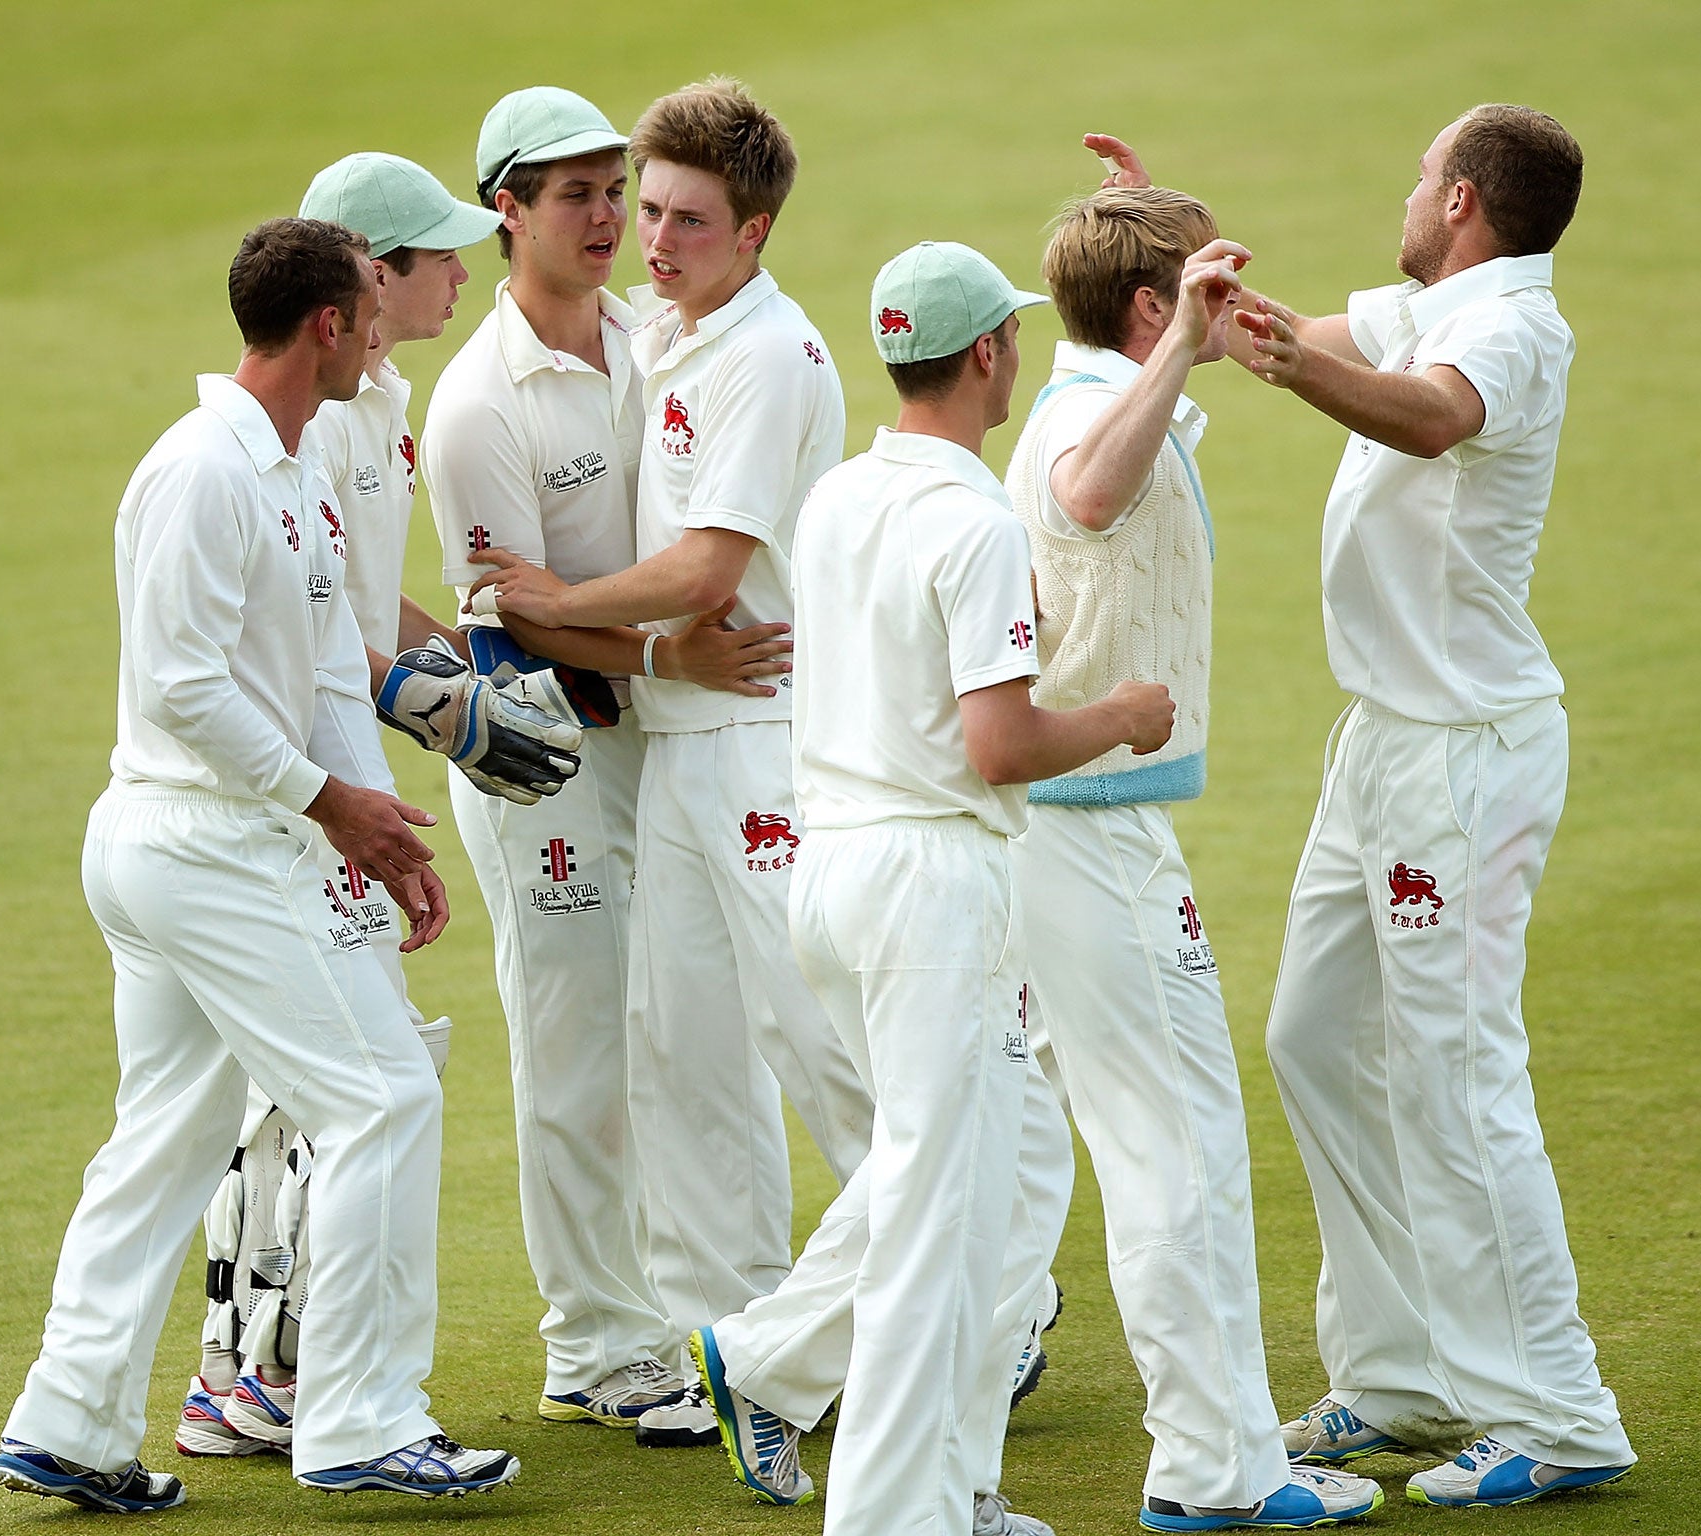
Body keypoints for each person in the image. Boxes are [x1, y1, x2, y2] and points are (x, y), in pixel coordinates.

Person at [0, 218, 522, 1511]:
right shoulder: (202, 472)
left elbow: (330, 669)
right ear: (327, 325)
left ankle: (69, 1421)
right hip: (198, 842)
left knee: (165, 1135)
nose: (385, 330)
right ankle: (361, 1421)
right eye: (368, 313)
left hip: (221, 840)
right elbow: (179, 689)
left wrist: (379, 828)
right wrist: (328, 803)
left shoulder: (291, 470)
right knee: (383, 1097)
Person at [689, 240, 1171, 1536]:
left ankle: (938, 1478)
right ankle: (900, 1514)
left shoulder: (844, 494)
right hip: (926, 889)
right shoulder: (971, 520)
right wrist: (1121, 715)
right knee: (928, 1214)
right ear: (990, 355)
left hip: (836, 873)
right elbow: (1000, 744)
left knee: (1002, 1175)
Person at [1237, 105, 1636, 1508]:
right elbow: (1313, 339)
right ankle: (1400, 1372)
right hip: (1386, 746)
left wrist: (1289, 372)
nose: (1404, 192)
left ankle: (1556, 1413)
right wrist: (1174, 275)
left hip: (1464, 755)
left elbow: (1430, 413)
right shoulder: (1438, 302)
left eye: (1419, 175)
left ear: (1462, 199)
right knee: (1314, 1036)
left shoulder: (1513, 331)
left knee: (1461, 1073)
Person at [1000, 158, 1385, 1532]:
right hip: (1081, 838)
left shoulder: (1110, 380)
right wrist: (1171, 334)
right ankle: (1214, 1474)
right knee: (1176, 1154)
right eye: (1210, 289)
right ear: (1157, 309)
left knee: (1177, 1146)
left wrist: (1163, 258)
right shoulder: (1094, 412)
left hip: (1097, 831)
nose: (1244, 306)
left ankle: (1224, 1459)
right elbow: (1091, 493)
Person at [467, 77, 873, 1343]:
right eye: (640, 210)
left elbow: (704, 576)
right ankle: (726, 1342)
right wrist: (626, 646)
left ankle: (990, 1300)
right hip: (678, 741)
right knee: (683, 1053)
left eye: (684, 221)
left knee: (818, 1040)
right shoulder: (666, 332)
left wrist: (574, 603)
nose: (649, 241)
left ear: (753, 234)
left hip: (758, 731)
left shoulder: (755, 352)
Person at [419, 85, 787, 1443]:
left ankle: (725, 1317)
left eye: (610, 189)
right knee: (577, 1048)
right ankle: (593, 1339)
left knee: (694, 1031)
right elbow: (508, 629)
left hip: (666, 747)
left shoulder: (656, 333)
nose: (604, 217)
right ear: (504, 211)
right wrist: (670, 658)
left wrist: (668, 662)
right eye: (569, 192)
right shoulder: (474, 407)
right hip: (544, 768)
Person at [170, 149, 505, 1461]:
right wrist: (453, 709)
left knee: (311, 1082)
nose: (460, 273)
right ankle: (258, 1373)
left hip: (322, 792)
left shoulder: (377, 400)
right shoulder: (329, 415)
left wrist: (475, 665)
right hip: (294, 805)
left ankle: (247, 1374)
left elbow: (368, 619)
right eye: (434, 258)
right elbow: (333, 652)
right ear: (367, 279)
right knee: (316, 1088)